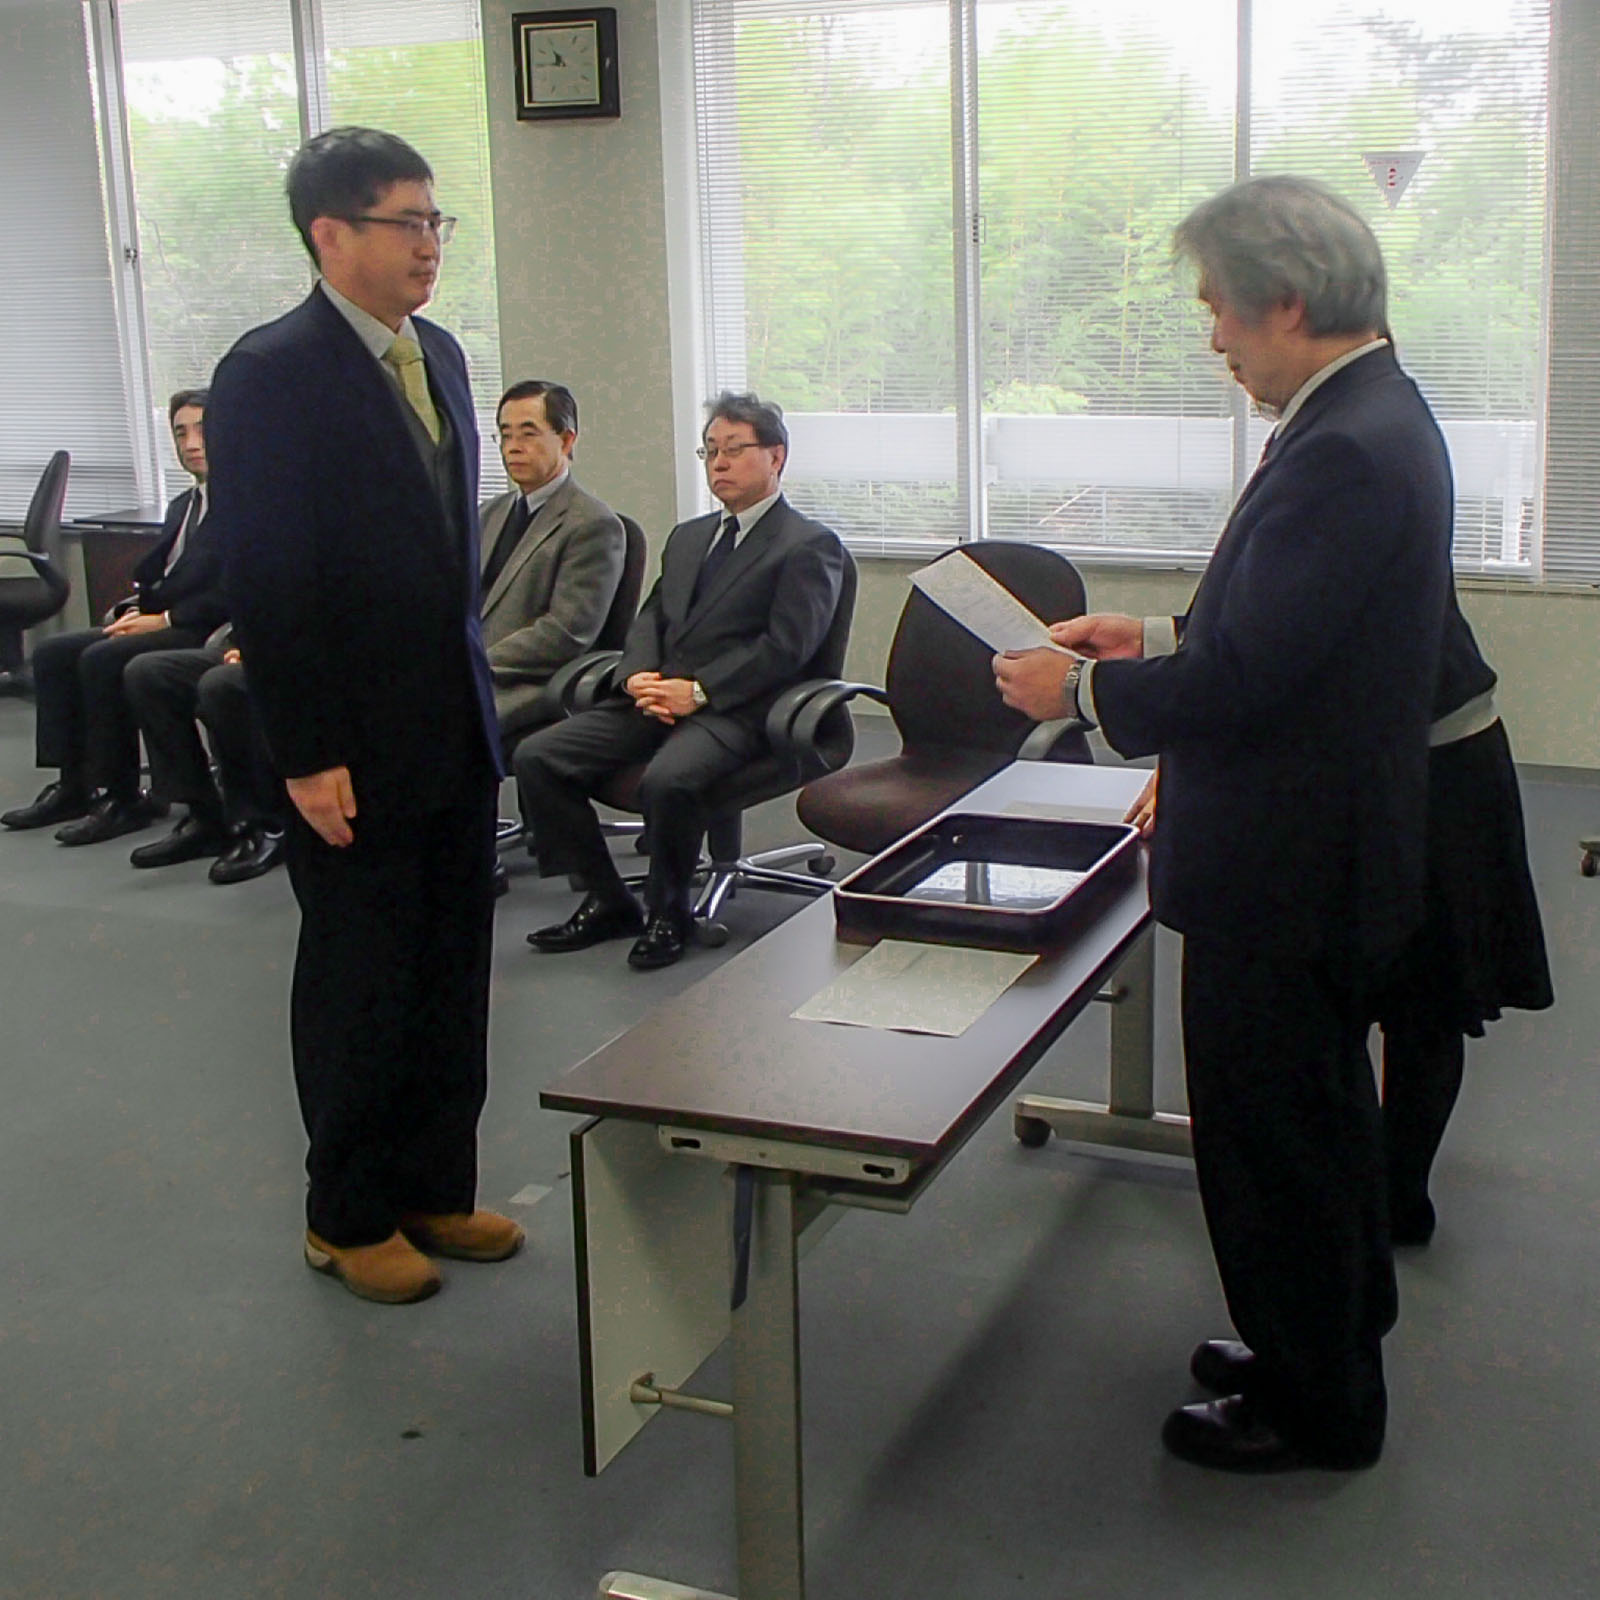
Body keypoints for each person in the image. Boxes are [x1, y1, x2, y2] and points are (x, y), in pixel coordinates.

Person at [995, 175, 1453, 1473]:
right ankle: (1325, 1335)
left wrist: (1081, 691)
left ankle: (1316, 1404)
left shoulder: (1343, 447)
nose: (1212, 340)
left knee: (1276, 1138)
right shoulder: (1372, 413)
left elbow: (1252, 682)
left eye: (1219, 311)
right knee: (1318, 1123)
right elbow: (1294, 632)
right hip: (1323, 852)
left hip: (1286, 868)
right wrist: (1147, 633)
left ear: (1286, 302)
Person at [205, 126, 521, 1305]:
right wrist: (308, 752)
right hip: (350, 743)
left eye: (439, 222)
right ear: (330, 234)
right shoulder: (269, 372)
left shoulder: (437, 352)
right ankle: (344, 1215)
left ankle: (433, 1185)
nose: (431, 245)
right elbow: (270, 577)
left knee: (449, 969)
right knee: (360, 977)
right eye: (408, 224)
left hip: (451, 725)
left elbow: (444, 555)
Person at [1120, 600, 1553, 1251]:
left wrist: (1093, 692)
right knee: (1345, 992)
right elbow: (1277, 618)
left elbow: (1292, 639)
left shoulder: (1357, 521)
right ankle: (1358, 1199)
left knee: (1427, 1002)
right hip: (1346, 764)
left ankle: (1399, 1196)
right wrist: (1156, 648)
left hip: (1434, 765)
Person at [518, 391, 845, 971]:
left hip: (739, 708)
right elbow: (652, 617)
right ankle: (607, 898)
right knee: (539, 756)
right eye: (710, 451)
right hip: (657, 696)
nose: (719, 463)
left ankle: (670, 914)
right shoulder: (689, 537)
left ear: (776, 457)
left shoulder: (807, 545)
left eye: (734, 450)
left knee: (668, 780)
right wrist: (636, 676)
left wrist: (699, 691)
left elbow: (786, 649)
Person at [2, 390, 226, 845]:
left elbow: (238, 588)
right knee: (55, 652)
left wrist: (165, 618)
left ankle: (122, 797)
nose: (190, 443)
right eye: (180, 433)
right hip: (164, 615)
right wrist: (138, 607)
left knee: (102, 658)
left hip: (206, 624)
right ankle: (74, 784)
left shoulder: (247, 503)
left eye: (202, 430)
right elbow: (168, 574)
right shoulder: (184, 504)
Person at [480, 379, 626, 743]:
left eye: (528, 434)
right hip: (468, 671)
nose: (513, 447)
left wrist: (476, 659)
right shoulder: (488, 513)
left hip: (525, 682)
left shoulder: (592, 524)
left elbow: (565, 632)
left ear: (566, 440)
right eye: (505, 435)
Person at [121, 634, 286, 883]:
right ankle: (204, 816)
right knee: (148, 673)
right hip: (256, 643)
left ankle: (265, 826)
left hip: (307, 651)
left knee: (221, 684)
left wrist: (266, 650)